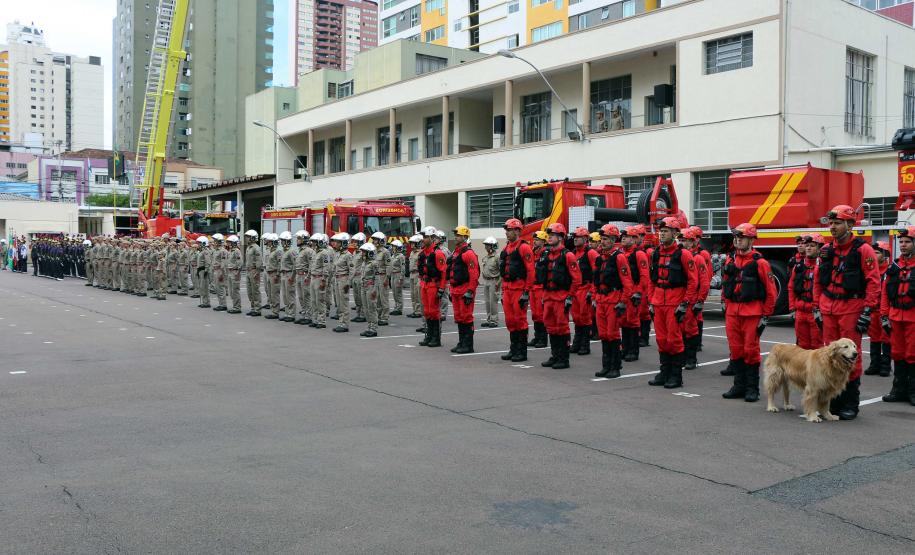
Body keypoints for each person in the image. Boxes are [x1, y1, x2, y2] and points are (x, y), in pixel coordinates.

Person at [814, 205, 881, 421]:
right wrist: (817, 306)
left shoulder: (864, 250)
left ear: (850, 225)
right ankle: (831, 401)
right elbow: (818, 280)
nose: (832, 227)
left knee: (851, 357)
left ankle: (850, 403)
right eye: (831, 223)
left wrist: (868, 310)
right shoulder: (826, 250)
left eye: (837, 223)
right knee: (829, 355)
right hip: (829, 308)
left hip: (851, 309)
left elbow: (873, 281)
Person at [721, 223, 777, 402]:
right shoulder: (730, 260)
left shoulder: (760, 263)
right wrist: (726, 303)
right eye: (736, 236)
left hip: (752, 313)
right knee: (735, 350)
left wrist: (765, 316)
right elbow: (726, 284)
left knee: (750, 350)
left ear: (751, 240)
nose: (737, 239)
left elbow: (771, 291)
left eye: (742, 237)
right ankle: (739, 385)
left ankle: (752, 388)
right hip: (732, 312)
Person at [647, 217, 698, 389]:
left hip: (674, 303)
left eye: (666, 231)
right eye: (661, 231)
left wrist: (685, 303)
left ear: (675, 233)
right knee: (661, 339)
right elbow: (651, 280)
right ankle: (664, 372)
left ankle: (676, 376)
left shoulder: (683, 254)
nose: (662, 234)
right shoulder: (655, 253)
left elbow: (693, 281)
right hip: (658, 303)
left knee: (674, 340)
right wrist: (651, 301)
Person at [593, 224, 634, 379]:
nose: (602, 242)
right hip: (602, 301)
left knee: (612, 334)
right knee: (603, 334)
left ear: (612, 240)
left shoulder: (619, 257)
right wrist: (596, 297)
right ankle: (606, 365)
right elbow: (595, 280)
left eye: (605, 239)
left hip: (613, 300)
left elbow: (627, 283)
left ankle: (615, 366)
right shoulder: (600, 258)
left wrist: (623, 302)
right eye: (601, 239)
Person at [539, 223, 581, 370]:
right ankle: (555, 355)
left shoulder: (568, 255)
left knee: (562, 327)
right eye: (549, 235)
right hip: (548, 296)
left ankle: (563, 358)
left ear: (561, 237)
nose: (550, 237)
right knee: (550, 326)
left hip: (561, 297)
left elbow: (577, 279)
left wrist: (569, 297)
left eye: (553, 235)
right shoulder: (546, 254)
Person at [881, 226, 915, 406]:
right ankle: (898, 389)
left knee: (912, 354)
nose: (903, 245)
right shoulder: (894, 266)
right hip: (896, 317)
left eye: (907, 242)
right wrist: (884, 315)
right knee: (897, 353)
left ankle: (912, 391)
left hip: (912, 318)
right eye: (901, 242)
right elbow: (885, 293)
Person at [500, 218, 535, 362]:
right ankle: (513, 349)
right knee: (510, 320)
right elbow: (504, 270)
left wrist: (526, 292)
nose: (507, 233)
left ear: (518, 231)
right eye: (506, 230)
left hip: (519, 288)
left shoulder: (524, 247)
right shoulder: (506, 248)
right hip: (508, 289)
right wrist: (503, 290)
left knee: (520, 320)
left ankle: (521, 351)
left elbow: (531, 271)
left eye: (510, 230)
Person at [679, 227, 710, 370]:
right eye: (680, 240)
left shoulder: (698, 258)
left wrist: (700, 300)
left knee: (690, 330)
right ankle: (683, 357)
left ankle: (691, 359)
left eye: (685, 240)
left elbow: (704, 281)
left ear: (692, 242)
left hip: (691, 300)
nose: (682, 242)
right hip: (679, 299)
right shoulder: (678, 256)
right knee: (680, 330)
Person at [447, 226, 480, 354]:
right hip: (456, 289)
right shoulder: (456, 252)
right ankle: (461, 342)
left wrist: (470, 291)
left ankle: (468, 345)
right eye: (456, 234)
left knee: (466, 317)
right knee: (459, 317)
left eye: (459, 235)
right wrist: (451, 289)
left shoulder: (468, 253)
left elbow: (474, 274)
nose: (456, 237)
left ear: (465, 237)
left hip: (465, 289)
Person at [789, 234, 824, 350]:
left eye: (812, 246)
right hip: (800, 311)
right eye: (807, 245)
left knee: (817, 346)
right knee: (801, 347)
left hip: (816, 312)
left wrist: (819, 309)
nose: (808, 248)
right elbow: (791, 287)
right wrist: (792, 308)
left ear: (819, 248)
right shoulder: (798, 266)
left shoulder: (824, 267)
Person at [620, 226, 649, 362]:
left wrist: (638, 293)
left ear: (634, 239)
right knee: (624, 322)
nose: (623, 238)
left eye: (627, 236)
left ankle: (633, 350)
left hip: (634, 293)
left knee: (632, 322)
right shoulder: (621, 253)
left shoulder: (639, 254)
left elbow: (644, 276)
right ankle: (625, 348)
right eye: (623, 236)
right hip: (624, 293)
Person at [865, 241, 892, 377]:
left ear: (885, 254)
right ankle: (874, 364)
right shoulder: (870, 269)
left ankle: (885, 366)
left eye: (877, 253)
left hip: (885, 311)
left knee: (886, 339)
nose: (874, 255)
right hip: (873, 310)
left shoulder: (890, 271)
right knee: (874, 338)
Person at [571, 226, 599, 356]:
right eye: (574, 237)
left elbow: (597, 273)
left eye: (578, 237)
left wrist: (592, 292)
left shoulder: (591, 253)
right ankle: (577, 342)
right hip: (576, 289)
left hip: (586, 288)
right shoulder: (574, 253)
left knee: (585, 317)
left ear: (585, 239)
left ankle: (584, 345)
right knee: (576, 317)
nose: (575, 239)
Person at [418, 226, 447, 347]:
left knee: (434, 311)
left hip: (434, 285)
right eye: (423, 237)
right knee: (427, 311)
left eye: (425, 237)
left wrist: (441, 288)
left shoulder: (438, 253)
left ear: (432, 238)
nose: (423, 239)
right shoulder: (423, 253)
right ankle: (429, 335)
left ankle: (436, 338)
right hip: (425, 284)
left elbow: (443, 272)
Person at [527, 231, 549, 349]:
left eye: (537, 239)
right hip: (533, 287)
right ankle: (537, 336)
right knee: (535, 314)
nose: (534, 241)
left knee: (541, 314)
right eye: (534, 239)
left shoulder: (545, 254)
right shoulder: (532, 252)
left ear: (543, 241)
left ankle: (543, 338)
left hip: (540, 287)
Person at [309, 233, 332, 329]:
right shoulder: (315, 252)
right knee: (313, 300)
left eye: (314, 242)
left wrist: (324, 280)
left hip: (319, 278)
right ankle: (315, 319)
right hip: (313, 277)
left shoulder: (324, 253)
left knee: (320, 300)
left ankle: (321, 321)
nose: (312, 243)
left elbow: (326, 267)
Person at [331, 233, 353, 332]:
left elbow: (352, 270)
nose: (335, 243)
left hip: (343, 280)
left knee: (344, 302)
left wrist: (348, 283)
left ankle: (345, 324)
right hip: (337, 279)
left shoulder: (348, 255)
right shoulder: (337, 254)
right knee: (339, 303)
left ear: (343, 243)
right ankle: (341, 322)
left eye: (338, 242)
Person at [358, 242, 380, 337]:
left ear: (369, 253)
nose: (362, 253)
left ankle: (373, 328)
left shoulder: (374, 263)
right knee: (366, 308)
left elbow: (377, 277)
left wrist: (375, 290)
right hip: (364, 286)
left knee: (372, 308)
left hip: (371, 286)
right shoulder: (364, 262)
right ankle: (369, 326)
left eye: (364, 252)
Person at [479, 236, 501, 328]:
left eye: (488, 245)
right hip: (486, 281)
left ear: (493, 246)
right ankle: (489, 319)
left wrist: (498, 283)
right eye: (486, 245)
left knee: (493, 302)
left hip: (494, 281)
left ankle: (494, 320)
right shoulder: (486, 257)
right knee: (487, 302)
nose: (486, 247)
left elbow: (501, 272)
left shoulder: (497, 257)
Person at [371, 232, 392, 325]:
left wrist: (387, 278)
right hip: (376, 276)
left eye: (376, 239)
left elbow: (388, 265)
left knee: (384, 297)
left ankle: (385, 317)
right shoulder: (374, 251)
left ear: (381, 241)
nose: (374, 241)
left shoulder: (385, 252)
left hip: (383, 276)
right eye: (374, 239)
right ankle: (379, 315)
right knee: (377, 297)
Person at [294, 230, 314, 324]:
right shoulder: (300, 251)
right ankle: (304, 313)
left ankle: (309, 316)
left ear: (304, 239)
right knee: (301, 296)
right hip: (299, 275)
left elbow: (311, 265)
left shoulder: (309, 251)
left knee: (307, 296)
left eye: (299, 238)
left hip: (305, 275)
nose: (297, 240)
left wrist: (308, 277)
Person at [244, 230, 263, 316]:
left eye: (248, 237)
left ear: (252, 237)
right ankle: (253, 308)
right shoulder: (248, 247)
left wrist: (257, 271)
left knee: (255, 290)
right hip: (248, 271)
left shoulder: (256, 247)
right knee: (249, 291)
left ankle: (257, 309)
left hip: (254, 270)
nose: (246, 238)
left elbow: (259, 261)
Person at [279, 231, 297, 321]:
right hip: (283, 274)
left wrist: (292, 277)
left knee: (290, 295)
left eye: (283, 241)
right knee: (285, 296)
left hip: (289, 274)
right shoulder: (283, 251)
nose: (281, 242)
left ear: (287, 241)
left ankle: (291, 314)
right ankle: (287, 313)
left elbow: (295, 265)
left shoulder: (291, 251)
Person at [264, 233, 283, 319]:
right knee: (270, 293)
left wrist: (277, 274)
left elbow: (280, 264)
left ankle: (275, 312)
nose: (268, 243)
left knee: (275, 294)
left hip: (274, 274)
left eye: (270, 242)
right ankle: (273, 310)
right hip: (269, 273)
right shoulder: (270, 251)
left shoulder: (278, 251)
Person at [350, 233, 367, 322]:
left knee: (361, 297)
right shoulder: (355, 252)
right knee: (356, 297)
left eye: (356, 242)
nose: (354, 243)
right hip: (354, 277)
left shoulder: (363, 253)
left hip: (360, 276)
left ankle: (363, 314)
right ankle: (358, 314)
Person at [407, 234, 424, 319]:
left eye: (413, 243)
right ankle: (415, 310)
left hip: (417, 274)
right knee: (413, 293)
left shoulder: (421, 252)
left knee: (417, 293)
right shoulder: (412, 252)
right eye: (411, 243)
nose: (411, 245)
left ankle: (418, 311)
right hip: (411, 274)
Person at [226, 235, 243, 314]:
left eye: (230, 242)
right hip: (230, 271)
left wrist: (237, 272)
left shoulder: (236, 251)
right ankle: (235, 306)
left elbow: (240, 263)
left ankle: (237, 307)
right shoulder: (230, 250)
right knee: (232, 291)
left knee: (235, 290)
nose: (228, 244)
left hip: (234, 272)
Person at [390, 239, 406, 316]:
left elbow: (402, 268)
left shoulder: (401, 256)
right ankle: (396, 307)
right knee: (394, 292)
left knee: (398, 292)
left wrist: (401, 278)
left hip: (398, 274)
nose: (392, 248)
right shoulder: (393, 255)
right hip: (393, 275)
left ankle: (399, 308)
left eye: (394, 246)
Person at [195, 236, 212, 308]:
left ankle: (206, 302)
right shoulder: (201, 251)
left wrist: (206, 270)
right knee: (202, 286)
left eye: (199, 243)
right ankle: (204, 301)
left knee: (205, 287)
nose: (198, 245)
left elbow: (208, 262)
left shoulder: (205, 251)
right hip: (200, 270)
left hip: (203, 270)